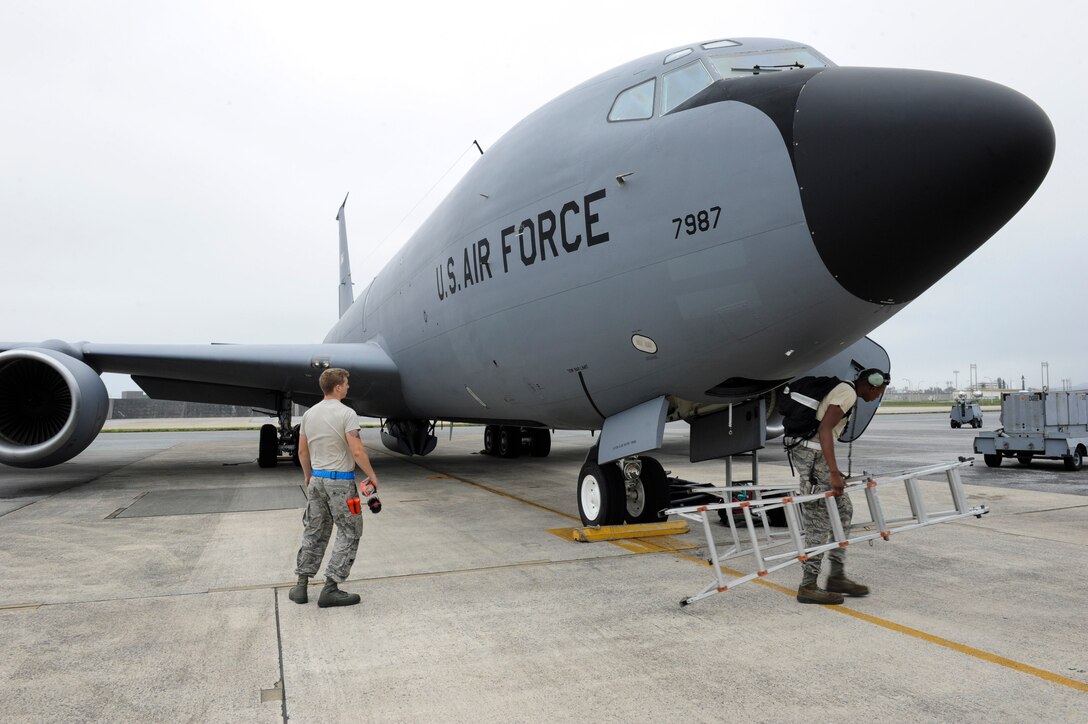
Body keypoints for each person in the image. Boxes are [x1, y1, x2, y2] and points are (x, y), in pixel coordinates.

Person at [786, 369, 888, 605]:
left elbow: (826, 432)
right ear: (872, 386)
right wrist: (831, 472)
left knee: (843, 509)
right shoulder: (847, 394)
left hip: (815, 456)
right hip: (811, 455)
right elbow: (824, 430)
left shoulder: (846, 391)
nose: (877, 398)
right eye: (879, 393)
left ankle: (837, 576)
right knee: (819, 519)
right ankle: (808, 585)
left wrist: (832, 468)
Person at [289, 368, 380, 608]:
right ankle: (330, 588)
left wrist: (308, 477)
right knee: (350, 531)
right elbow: (357, 450)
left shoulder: (309, 415)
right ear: (337, 387)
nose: (348, 387)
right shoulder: (347, 414)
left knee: (314, 531)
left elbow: (302, 451)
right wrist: (372, 475)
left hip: (317, 480)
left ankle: (301, 586)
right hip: (340, 482)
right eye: (346, 383)